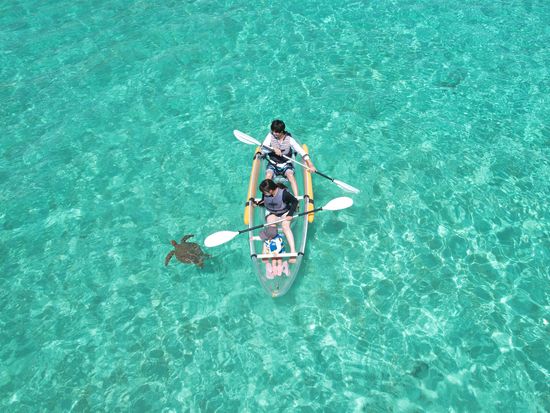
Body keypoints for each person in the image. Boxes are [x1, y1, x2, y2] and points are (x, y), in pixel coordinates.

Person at [261, 119, 316, 197]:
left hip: (286, 164)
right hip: (273, 163)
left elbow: (301, 152)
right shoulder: (270, 136)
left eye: (276, 132)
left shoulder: (290, 139)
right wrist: (273, 149)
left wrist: (310, 165)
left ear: (282, 131)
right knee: (268, 176)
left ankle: (296, 198)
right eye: (273, 131)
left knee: (290, 176)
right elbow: (263, 148)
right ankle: (265, 198)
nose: (274, 133)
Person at [256, 178, 298, 263]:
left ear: (271, 191)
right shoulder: (266, 193)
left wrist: (290, 214)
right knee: (270, 226)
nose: (263, 193)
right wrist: (257, 203)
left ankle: (293, 252)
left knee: (285, 226)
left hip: (285, 213)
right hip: (273, 213)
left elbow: (295, 201)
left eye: (264, 192)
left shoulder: (284, 194)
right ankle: (265, 250)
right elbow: (265, 202)